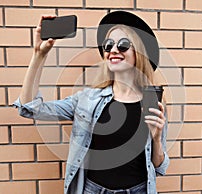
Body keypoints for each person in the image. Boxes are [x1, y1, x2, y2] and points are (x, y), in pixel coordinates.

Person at [14, 11, 169, 194]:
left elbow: (160, 167)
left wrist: (157, 139)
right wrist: (38, 55)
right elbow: (29, 108)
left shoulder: (153, 103)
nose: (113, 50)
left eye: (123, 45)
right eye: (108, 45)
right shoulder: (87, 100)